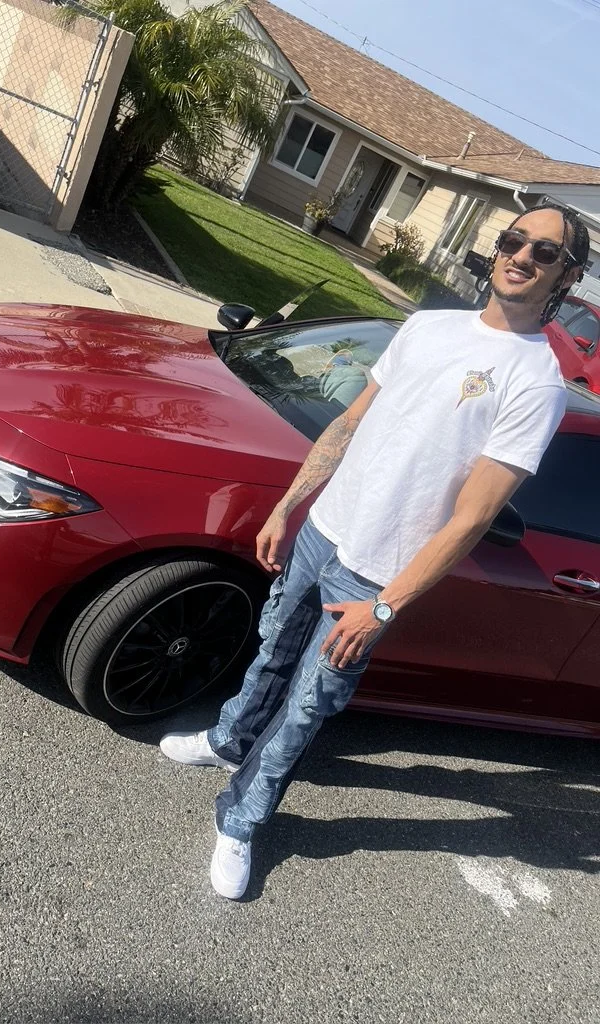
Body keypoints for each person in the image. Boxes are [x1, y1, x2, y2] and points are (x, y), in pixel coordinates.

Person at [160, 202, 590, 900]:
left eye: (544, 252)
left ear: (566, 276)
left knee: (308, 706)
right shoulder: (426, 327)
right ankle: (228, 739)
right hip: (324, 530)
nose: (522, 256)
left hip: (375, 574)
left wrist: (383, 609)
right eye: (515, 240)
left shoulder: (535, 383)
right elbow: (353, 421)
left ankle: (242, 818)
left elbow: (471, 519)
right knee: (271, 647)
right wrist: (288, 504)